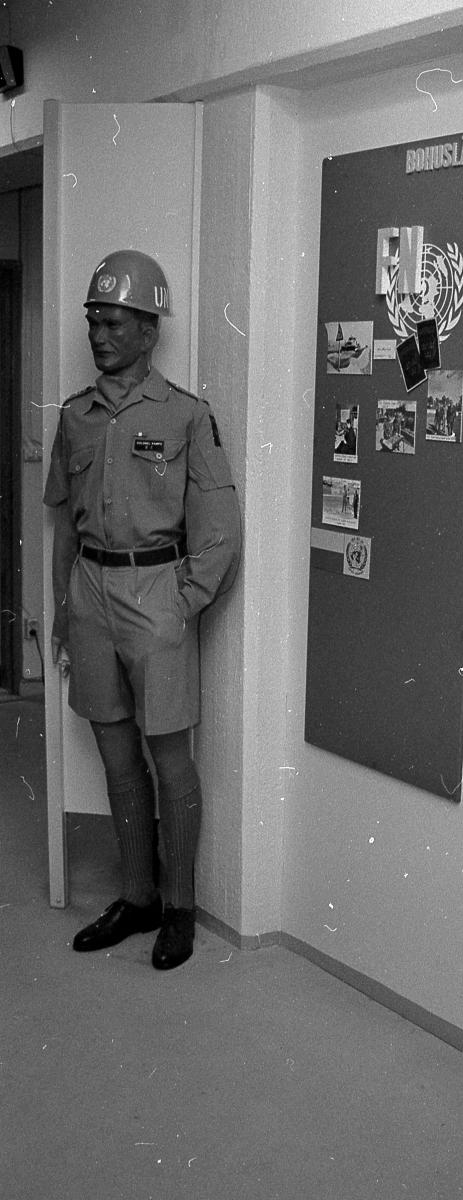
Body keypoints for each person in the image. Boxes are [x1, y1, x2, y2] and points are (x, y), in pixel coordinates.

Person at [44, 249, 241, 971]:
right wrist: (63, 609)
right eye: (93, 321)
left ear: (150, 329)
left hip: (155, 594)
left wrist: (180, 605)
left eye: (115, 323)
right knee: (115, 752)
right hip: (90, 594)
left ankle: (179, 905)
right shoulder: (76, 416)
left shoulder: (186, 415)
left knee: (170, 760)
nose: (99, 335)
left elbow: (220, 530)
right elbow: (64, 525)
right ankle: (138, 897)